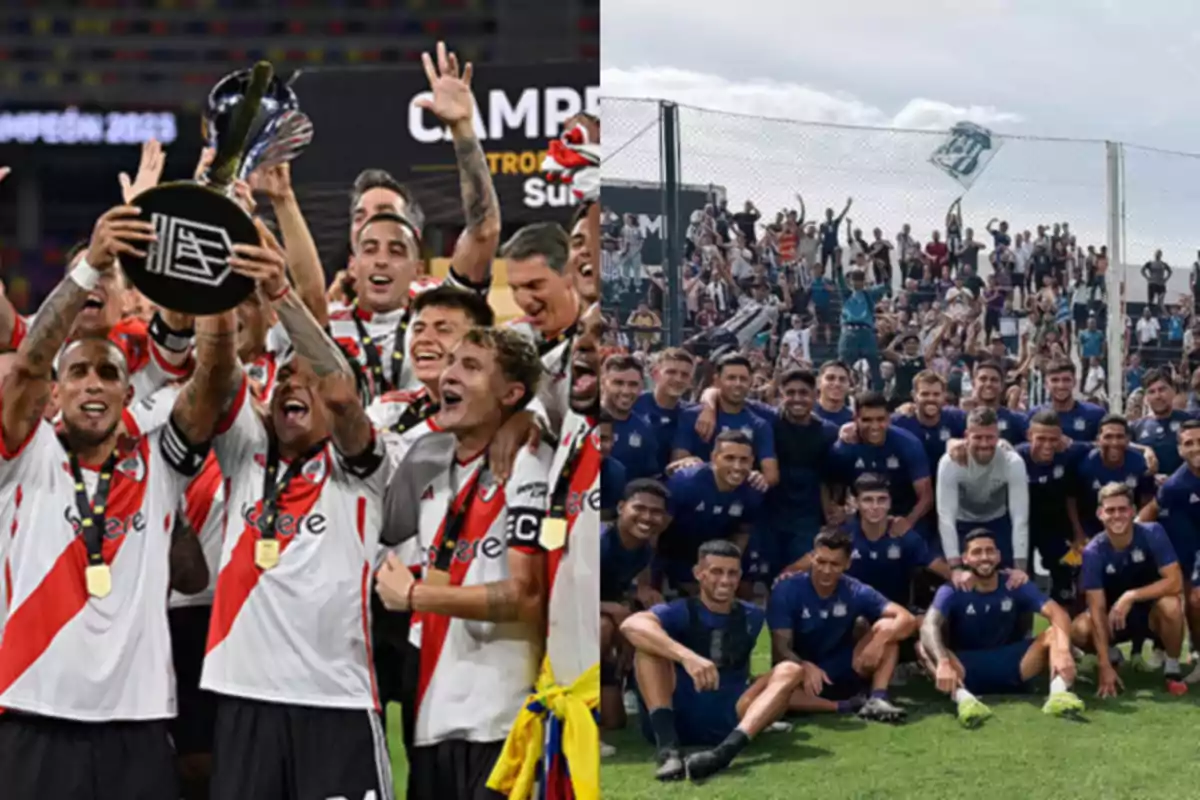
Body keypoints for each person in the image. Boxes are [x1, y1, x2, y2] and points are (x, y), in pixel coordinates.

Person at [0, 205, 212, 800]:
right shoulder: (24, 452)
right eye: (78, 374)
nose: (92, 383)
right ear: (55, 390)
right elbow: (27, 364)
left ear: (128, 389)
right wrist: (91, 265)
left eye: (107, 374)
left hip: (138, 718)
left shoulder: (154, 452)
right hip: (31, 705)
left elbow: (203, 378)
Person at [189, 221, 398, 800]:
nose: (291, 385)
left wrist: (283, 294)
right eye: (283, 378)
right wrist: (221, 282)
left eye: (305, 378)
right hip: (243, 696)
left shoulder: (365, 468)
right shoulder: (244, 451)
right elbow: (217, 368)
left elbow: (339, 390)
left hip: (335, 700)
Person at [374, 326, 552, 800]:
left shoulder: (526, 465)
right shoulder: (433, 475)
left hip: (500, 720)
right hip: (435, 718)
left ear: (511, 394)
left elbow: (526, 594)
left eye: (470, 366)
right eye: (450, 362)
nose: (448, 374)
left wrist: (414, 596)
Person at [328, 43, 498, 401]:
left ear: (417, 259)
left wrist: (462, 129)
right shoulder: (324, 320)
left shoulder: (441, 305)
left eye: (394, 242)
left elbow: (484, 231)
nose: (379, 254)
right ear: (352, 256)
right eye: (363, 223)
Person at [620, 540, 806, 782]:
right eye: (716, 571)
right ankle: (668, 751)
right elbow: (630, 625)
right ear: (699, 574)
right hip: (678, 710)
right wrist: (688, 657)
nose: (725, 580)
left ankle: (724, 754)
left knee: (790, 670)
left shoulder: (754, 615)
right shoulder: (680, 610)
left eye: (732, 573)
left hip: (730, 714)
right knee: (647, 650)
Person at [918, 530, 1084, 727]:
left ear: (998, 555)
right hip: (967, 668)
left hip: (1015, 663)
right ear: (966, 558)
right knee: (922, 646)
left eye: (989, 551)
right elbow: (929, 625)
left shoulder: (1015, 584)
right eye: (977, 552)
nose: (984, 557)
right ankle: (964, 701)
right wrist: (944, 662)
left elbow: (1058, 614)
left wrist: (1064, 651)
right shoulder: (951, 589)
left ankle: (1058, 695)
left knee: (1055, 633)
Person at [768, 529, 914, 721]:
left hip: (841, 663)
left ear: (847, 564)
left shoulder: (854, 589)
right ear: (811, 558)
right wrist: (803, 666)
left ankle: (878, 698)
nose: (826, 570)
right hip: (799, 671)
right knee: (774, 691)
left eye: (835, 564)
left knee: (887, 627)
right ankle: (843, 706)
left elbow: (907, 618)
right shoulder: (786, 590)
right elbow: (780, 649)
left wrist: (879, 640)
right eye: (821, 562)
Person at [1071, 483, 1187, 697]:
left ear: (1133, 511)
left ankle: (1172, 668)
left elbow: (1175, 582)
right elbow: (1097, 610)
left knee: (1172, 605)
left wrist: (1131, 596)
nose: (1117, 515)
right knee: (1080, 629)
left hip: (1150, 614)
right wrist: (1104, 667)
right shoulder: (1093, 552)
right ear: (1100, 513)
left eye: (1122, 509)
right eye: (1110, 510)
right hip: (1114, 619)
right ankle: (1111, 657)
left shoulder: (1153, 532)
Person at [657, 431, 765, 596]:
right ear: (714, 457)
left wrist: (726, 572)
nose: (737, 466)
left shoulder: (752, 490)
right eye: (729, 458)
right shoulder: (686, 482)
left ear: (752, 462)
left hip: (715, 551)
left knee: (742, 589)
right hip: (676, 551)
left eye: (744, 460)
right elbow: (654, 533)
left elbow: (741, 535)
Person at [600, 480, 669, 732]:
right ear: (620, 507)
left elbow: (638, 580)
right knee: (604, 627)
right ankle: (573, 720)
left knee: (615, 722)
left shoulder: (645, 545)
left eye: (656, 512)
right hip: (573, 621)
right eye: (639, 508)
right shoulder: (598, 542)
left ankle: (633, 686)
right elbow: (565, 595)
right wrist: (614, 610)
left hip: (605, 617)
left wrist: (643, 592)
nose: (647, 517)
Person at [504, 221, 586, 433]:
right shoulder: (511, 339)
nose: (523, 300)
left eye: (534, 285)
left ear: (570, 274)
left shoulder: (599, 341)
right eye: (514, 288)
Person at [1139, 419, 1200, 681]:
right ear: (1180, 450)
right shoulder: (1175, 486)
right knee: (1195, 601)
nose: (1196, 448)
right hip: (1188, 552)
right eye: (1189, 443)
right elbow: (1148, 514)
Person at [830, 391, 933, 542]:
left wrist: (908, 522)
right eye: (867, 420)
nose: (875, 426)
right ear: (855, 419)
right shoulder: (845, 446)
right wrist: (836, 510)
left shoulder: (908, 444)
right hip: (862, 517)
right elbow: (831, 483)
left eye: (880, 419)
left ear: (889, 419)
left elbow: (926, 497)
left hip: (903, 513)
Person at [936, 407, 1030, 570]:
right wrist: (955, 567)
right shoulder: (951, 462)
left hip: (998, 521)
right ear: (966, 436)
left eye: (990, 437)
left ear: (998, 437)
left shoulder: (1012, 461)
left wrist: (1020, 568)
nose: (984, 444)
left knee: (1008, 578)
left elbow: (1020, 517)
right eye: (978, 437)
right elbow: (945, 517)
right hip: (962, 523)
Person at [1018, 409, 1091, 606]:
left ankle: (1067, 631)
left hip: (1057, 528)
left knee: (1066, 576)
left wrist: (1146, 450)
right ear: (1029, 436)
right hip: (1022, 528)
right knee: (1020, 580)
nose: (1048, 445)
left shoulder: (1069, 453)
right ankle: (1023, 632)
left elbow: (1105, 444)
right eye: (1041, 438)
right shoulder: (1015, 457)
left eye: (1054, 439)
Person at [674, 353, 777, 481]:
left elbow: (771, 474)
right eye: (731, 378)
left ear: (750, 381)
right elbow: (679, 462)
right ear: (717, 380)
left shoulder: (760, 423)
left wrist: (759, 479)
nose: (738, 384)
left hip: (740, 495)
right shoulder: (692, 416)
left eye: (743, 379)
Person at [1074, 415, 1154, 538]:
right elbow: (1072, 500)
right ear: (1098, 439)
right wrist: (1079, 534)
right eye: (1108, 437)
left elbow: (1147, 500)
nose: (1114, 442)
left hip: (1129, 527)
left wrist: (1138, 530)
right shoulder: (1086, 466)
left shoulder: (1139, 463)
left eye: (1119, 437)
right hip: (1092, 529)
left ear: (1128, 439)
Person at [633, 348, 695, 474]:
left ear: (690, 381)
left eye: (685, 375)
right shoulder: (634, 404)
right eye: (671, 372)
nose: (678, 379)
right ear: (656, 374)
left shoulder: (691, 413)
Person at [603, 353, 660, 481]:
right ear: (603, 382)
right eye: (618, 383)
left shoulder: (645, 430)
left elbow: (648, 479)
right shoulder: (586, 422)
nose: (626, 391)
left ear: (641, 387)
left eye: (633, 384)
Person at [1131, 368, 1193, 477]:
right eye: (1151, 392)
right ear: (1146, 397)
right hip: (1149, 490)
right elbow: (1122, 443)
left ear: (1173, 390)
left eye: (1162, 389)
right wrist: (1145, 449)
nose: (1157, 396)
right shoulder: (1137, 426)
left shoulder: (1189, 421)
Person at [1027, 358, 1105, 443]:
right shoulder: (1035, 415)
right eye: (1055, 380)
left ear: (1074, 382)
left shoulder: (1095, 414)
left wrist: (1072, 446)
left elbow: (1104, 446)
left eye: (1066, 380)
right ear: (1046, 384)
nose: (1061, 385)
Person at [837, 267, 889, 391]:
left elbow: (886, 285)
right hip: (849, 331)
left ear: (864, 281)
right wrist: (838, 266)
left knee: (874, 361)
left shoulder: (869, 294)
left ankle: (877, 393)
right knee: (843, 363)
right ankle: (842, 391)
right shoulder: (847, 294)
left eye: (860, 280)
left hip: (866, 331)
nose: (857, 283)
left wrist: (883, 270)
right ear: (850, 281)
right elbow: (839, 280)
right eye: (854, 280)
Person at [813, 360, 854, 426]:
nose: (837, 384)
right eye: (830, 378)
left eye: (842, 379)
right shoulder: (805, 415)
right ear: (818, 382)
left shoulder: (853, 421)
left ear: (849, 385)